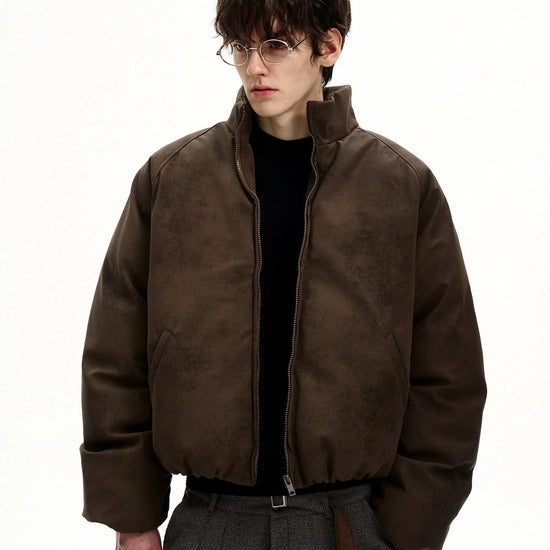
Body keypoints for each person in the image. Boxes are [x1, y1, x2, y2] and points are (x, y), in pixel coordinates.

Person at [79, 1, 487, 549]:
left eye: (275, 45)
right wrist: (132, 520)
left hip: (351, 523)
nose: (254, 67)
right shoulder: (172, 180)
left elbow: (450, 374)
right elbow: (115, 357)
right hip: (210, 522)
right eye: (241, 47)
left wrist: (409, 526)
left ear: (329, 47)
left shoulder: (401, 186)